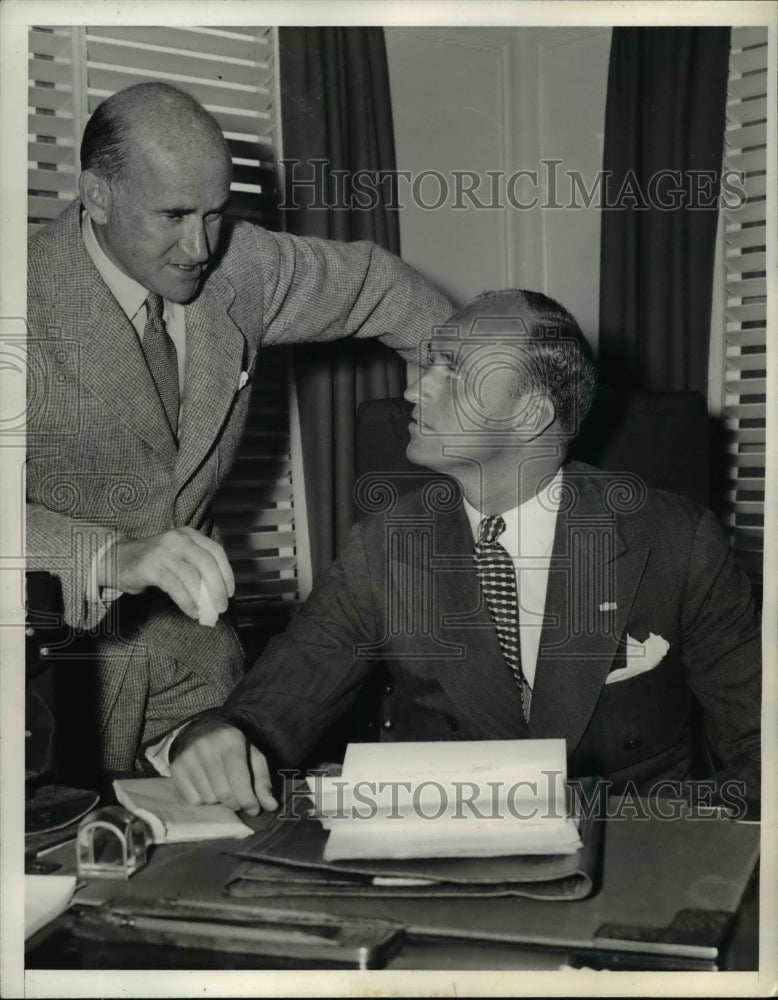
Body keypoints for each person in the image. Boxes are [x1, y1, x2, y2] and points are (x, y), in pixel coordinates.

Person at [161, 289, 761, 815]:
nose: (412, 389)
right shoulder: (387, 545)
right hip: (445, 851)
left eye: (451, 370)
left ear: (531, 415)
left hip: (630, 856)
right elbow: (278, 700)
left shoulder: (677, 542)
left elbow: (761, 745)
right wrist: (215, 732)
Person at [26, 82, 452, 776]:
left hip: (197, 676)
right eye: (173, 215)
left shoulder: (241, 267)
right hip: (43, 687)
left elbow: (377, 285)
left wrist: (478, 384)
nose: (200, 247)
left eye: (215, 214)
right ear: (96, 196)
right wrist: (107, 558)